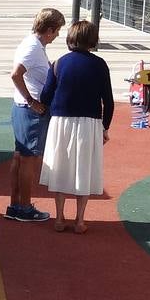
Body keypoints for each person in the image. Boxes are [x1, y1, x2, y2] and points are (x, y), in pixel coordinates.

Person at [38, 20, 114, 234]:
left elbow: (45, 95)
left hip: (61, 121)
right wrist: (105, 127)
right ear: (92, 40)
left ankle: (59, 218)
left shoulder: (58, 63)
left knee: (61, 167)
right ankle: (80, 220)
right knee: (84, 168)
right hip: (89, 123)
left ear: (71, 38)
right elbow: (108, 101)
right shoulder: (100, 64)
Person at [6, 8, 65, 222]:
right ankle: (24, 207)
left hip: (23, 108)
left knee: (20, 156)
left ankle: (15, 204)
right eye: (57, 31)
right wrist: (32, 101)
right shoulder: (32, 48)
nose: (58, 35)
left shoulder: (33, 44)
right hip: (29, 111)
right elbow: (16, 74)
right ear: (49, 30)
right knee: (28, 159)